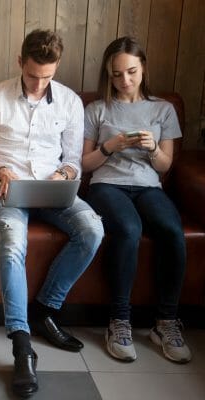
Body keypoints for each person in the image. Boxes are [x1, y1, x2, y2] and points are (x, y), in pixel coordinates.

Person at [0, 29, 104, 397]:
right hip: (7, 190)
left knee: (93, 229)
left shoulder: (70, 102)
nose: (39, 84)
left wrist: (64, 174)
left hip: (53, 189)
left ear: (56, 66)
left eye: (47, 76)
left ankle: (46, 308)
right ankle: (21, 343)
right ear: (20, 62)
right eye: (32, 75)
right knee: (13, 244)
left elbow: (74, 160)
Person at [82, 36, 191, 364]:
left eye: (131, 72)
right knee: (128, 230)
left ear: (143, 67)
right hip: (106, 186)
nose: (124, 81)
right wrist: (108, 148)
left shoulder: (163, 109)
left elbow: (165, 166)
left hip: (148, 187)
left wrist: (153, 148)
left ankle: (166, 322)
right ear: (108, 75)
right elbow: (83, 165)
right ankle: (119, 321)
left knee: (172, 230)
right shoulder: (97, 109)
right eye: (116, 74)